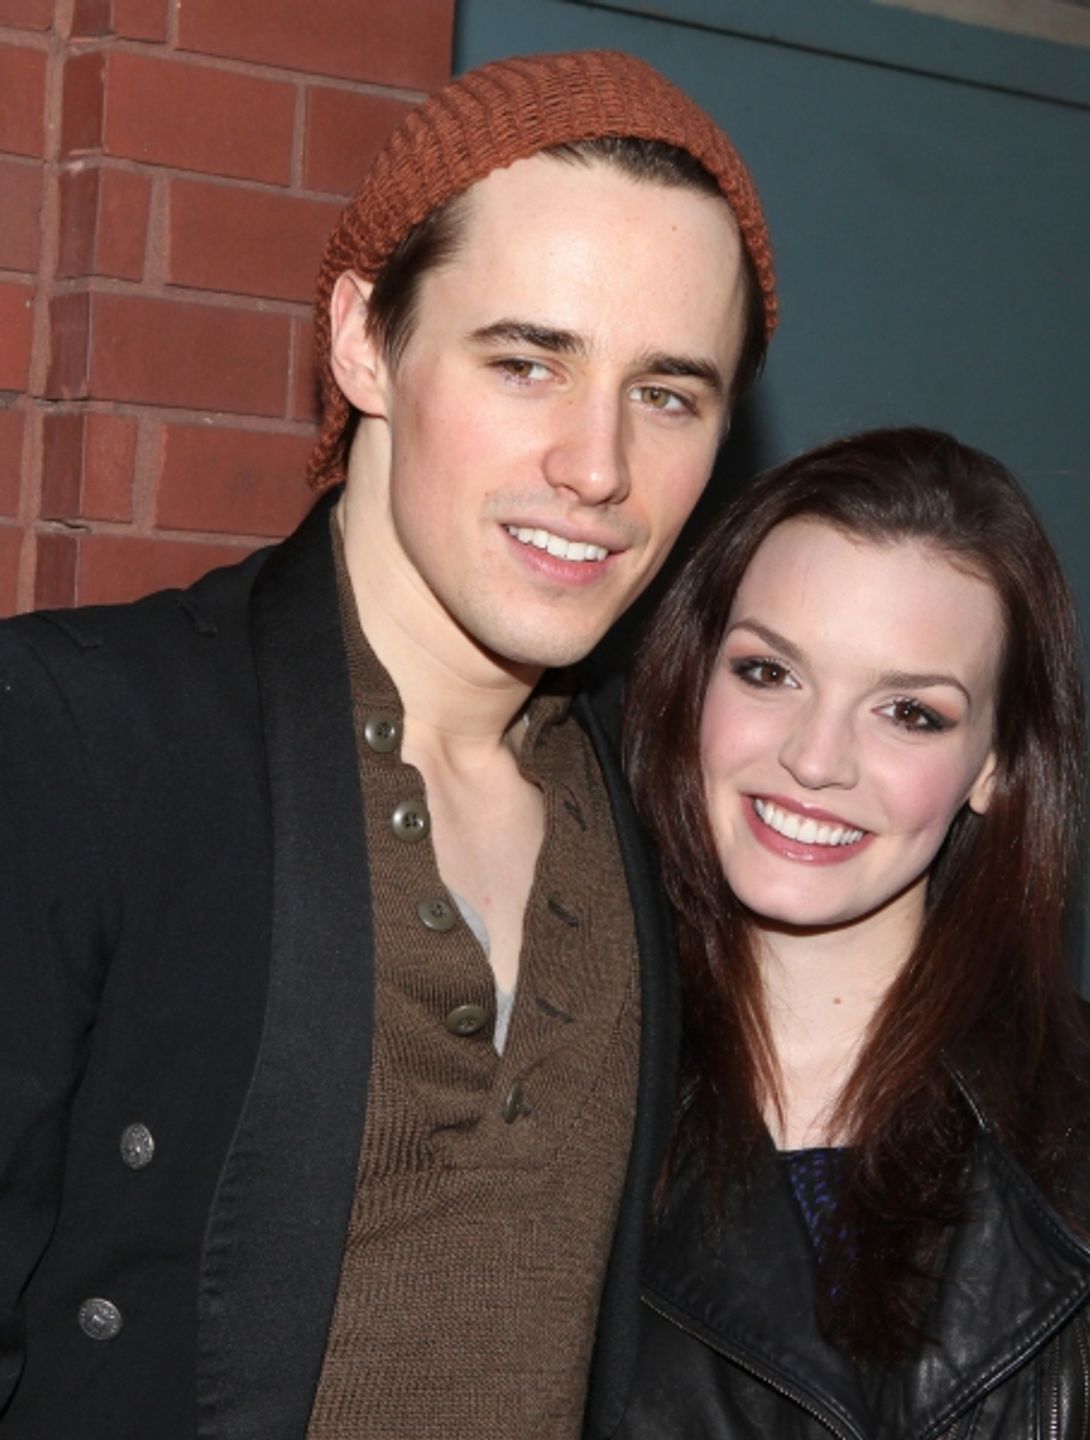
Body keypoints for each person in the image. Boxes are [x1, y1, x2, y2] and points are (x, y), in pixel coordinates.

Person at [0, 50, 777, 1439]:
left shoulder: (670, 797)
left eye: (668, 394)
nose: (596, 466)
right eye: (528, 361)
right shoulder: (84, 738)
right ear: (366, 341)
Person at [620, 427, 1090, 1438]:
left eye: (910, 714)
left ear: (997, 766)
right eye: (768, 673)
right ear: (691, 683)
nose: (815, 758)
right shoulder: (556, 1090)